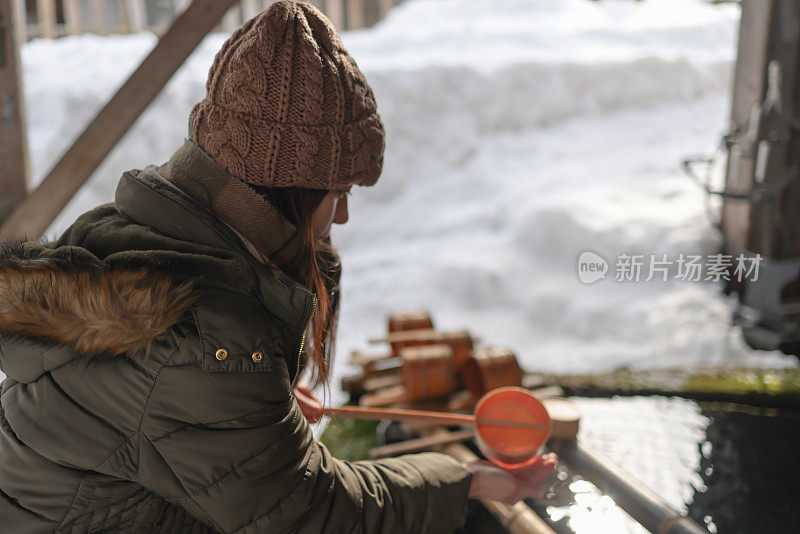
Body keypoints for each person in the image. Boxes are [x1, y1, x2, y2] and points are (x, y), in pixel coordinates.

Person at [0, 1, 557, 532]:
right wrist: (466, 481)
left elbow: (151, 414)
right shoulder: (204, 342)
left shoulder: (135, 236)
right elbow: (313, 516)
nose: (341, 215)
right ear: (286, 186)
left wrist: (257, 406)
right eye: (336, 191)